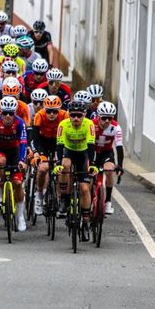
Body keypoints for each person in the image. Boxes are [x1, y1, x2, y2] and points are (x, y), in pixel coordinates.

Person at [55, 99, 96, 240]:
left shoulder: (89, 124)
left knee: (84, 189)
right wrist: (58, 164)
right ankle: (64, 199)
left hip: (83, 155)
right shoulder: (63, 125)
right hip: (69, 152)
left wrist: (92, 164)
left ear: (84, 114)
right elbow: (59, 146)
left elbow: (91, 146)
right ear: (69, 114)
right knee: (65, 165)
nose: (76, 118)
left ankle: (85, 222)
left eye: (79, 115)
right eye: (73, 115)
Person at [0, 96, 29, 232]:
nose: (8, 116)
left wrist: (22, 160)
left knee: (18, 183)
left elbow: (23, 143)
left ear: (14, 113)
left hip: (15, 152)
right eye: (5, 113)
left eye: (11, 113)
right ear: (1, 113)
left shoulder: (20, 123)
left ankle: (20, 215)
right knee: (0, 162)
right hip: (0, 150)